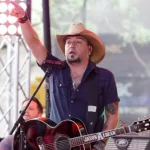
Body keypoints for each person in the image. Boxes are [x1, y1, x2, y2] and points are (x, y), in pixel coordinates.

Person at [9, 2, 120, 149]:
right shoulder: (54, 69)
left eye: (78, 42)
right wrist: (23, 18)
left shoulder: (104, 77)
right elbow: (35, 43)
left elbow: (112, 116)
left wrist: (99, 145)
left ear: (89, 49)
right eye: (68, 42)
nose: (71, 45)